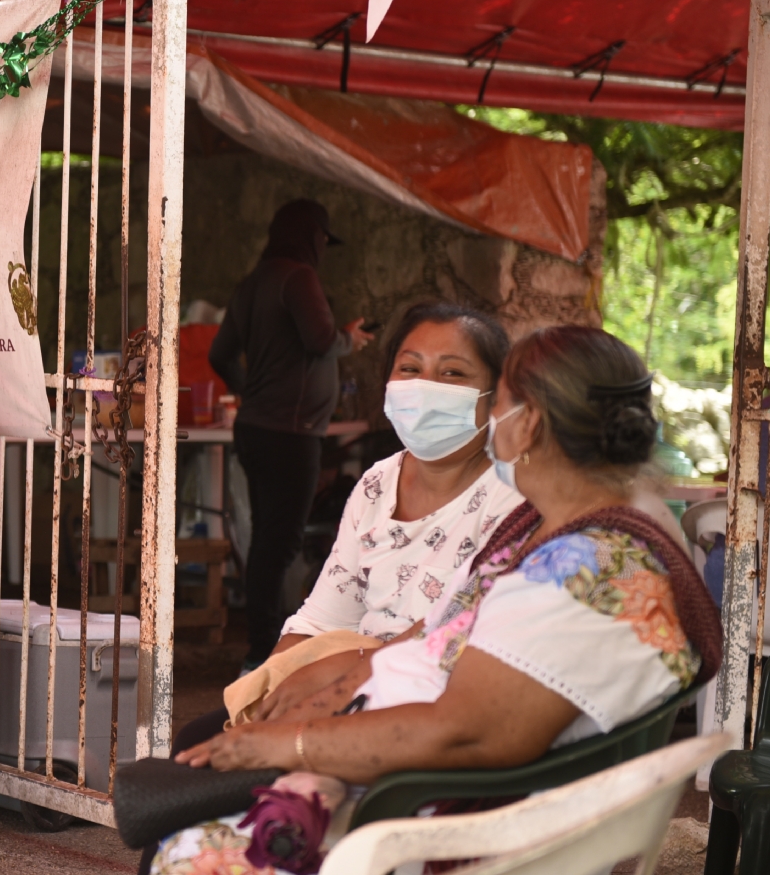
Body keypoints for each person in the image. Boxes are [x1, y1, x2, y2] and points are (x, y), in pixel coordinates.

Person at [149, 325, 721, 874]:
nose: (492, 418)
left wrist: (292, 744)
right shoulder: (570, 528)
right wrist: (311, 707)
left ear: (531, 425)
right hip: (403, 774)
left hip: (428, 816)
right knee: (182, 783)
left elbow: (465, 732)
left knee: (184, 845)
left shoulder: (584, 570)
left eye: (498, 401)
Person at [219, 303, 521, 728]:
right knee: (203, 741)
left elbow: (463, 633)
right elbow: (321, 620)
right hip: (348, 684)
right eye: (410, 368)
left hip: (423, 700)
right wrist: (271, 687)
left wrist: (346, 670)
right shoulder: (378, 484)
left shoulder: (512, 496)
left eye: (452, 373)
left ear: (496, 397)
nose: (425, 387)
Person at [210, 199, 373, 670]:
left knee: (266, 540)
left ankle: (262, 644)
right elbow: (320, 340)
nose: (323, 247)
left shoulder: (251, 283)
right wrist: (350, 339)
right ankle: (262, 654)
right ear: (310, 236)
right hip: (290, 433)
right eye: (323, 238)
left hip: (257, 428)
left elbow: (221, 355)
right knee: (278, 545)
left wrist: (250, 393)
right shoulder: (299, 277)